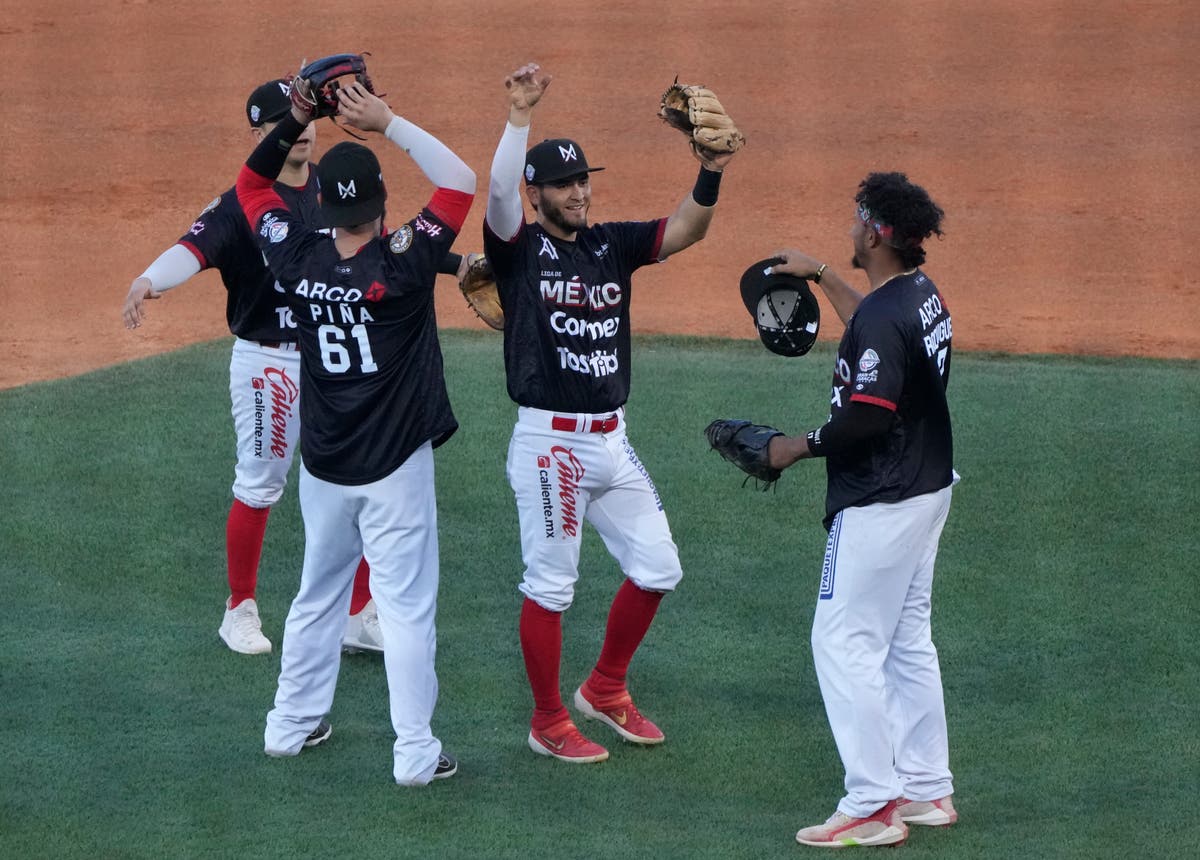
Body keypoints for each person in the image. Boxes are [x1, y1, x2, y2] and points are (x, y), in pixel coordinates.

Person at [122, 79, 473, 657]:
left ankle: (359, 615)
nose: (304, 128)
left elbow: (376, 257)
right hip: (268, 360)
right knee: (261, 483)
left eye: (306, 117)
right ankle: (239, 609)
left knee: (358, 473)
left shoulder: (330, 189)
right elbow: (194, 248)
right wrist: (148, 280)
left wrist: (454, 263)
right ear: (262, 134)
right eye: (287, 121)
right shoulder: (242, 204)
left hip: (327, 362)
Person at [483, 63, 738, 763]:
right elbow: (499, 191)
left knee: (659, 567)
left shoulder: (608, 243)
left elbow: (687, 229)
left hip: (611, 442)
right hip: (550, 447)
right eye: (564, 184)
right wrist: (518, 117)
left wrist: (711, 170)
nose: (579, 192)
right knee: (551, 585)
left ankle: (606, 687)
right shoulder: (519, 250)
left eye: (583, 180)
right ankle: (546, 720)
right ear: (538, 196)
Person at [235, 74, 474, 785]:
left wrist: (294, 119)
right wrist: (387, 122)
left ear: (324, 207)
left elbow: (251, 188)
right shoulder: (404, 262)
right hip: (396, 467)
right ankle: (414, 753)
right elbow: (459, 180)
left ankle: (288, 726)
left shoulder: (297, 257)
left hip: (325, 465)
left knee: (317, 593)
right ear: (379, 203)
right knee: (405, 609)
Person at [762, 172, 956, 848]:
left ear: (876, 232)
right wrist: (819, 274)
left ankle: (873, 802)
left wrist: (795, 447)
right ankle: (929, 789)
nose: (849, 229)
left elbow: (867, 416)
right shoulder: (918, 296)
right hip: (929, 486)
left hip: (881, 497)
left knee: (842, 642)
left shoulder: (884, 315)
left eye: (855, 221)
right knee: (905, 641)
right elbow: (880, 337)